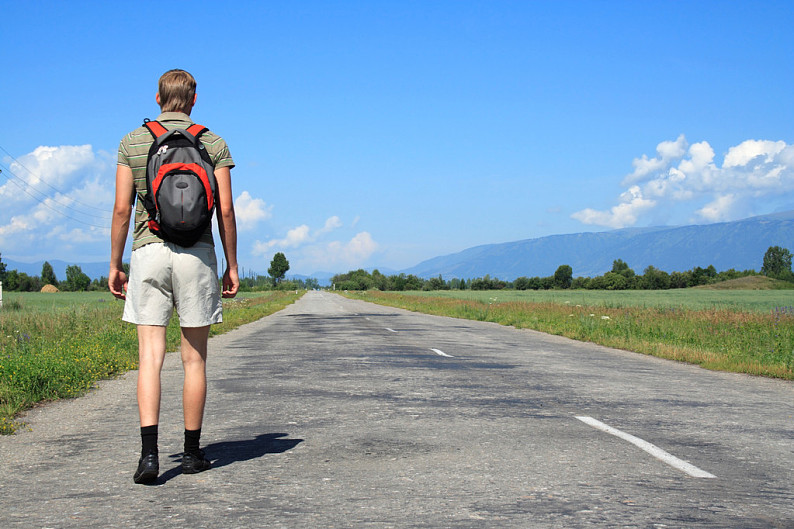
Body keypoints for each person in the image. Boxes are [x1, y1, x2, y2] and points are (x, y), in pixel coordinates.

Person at [109, 69, 239, 484]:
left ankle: (149, 457)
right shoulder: (212, 142)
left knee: (150, 357)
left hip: (148, 252)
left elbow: (121, 211)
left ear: (158, 97)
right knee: (194, 359)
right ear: (194, 99)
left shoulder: (133, 140)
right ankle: (190, 454)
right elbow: (227, 211)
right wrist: (232, 265)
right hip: (197, 255)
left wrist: (115, 264)